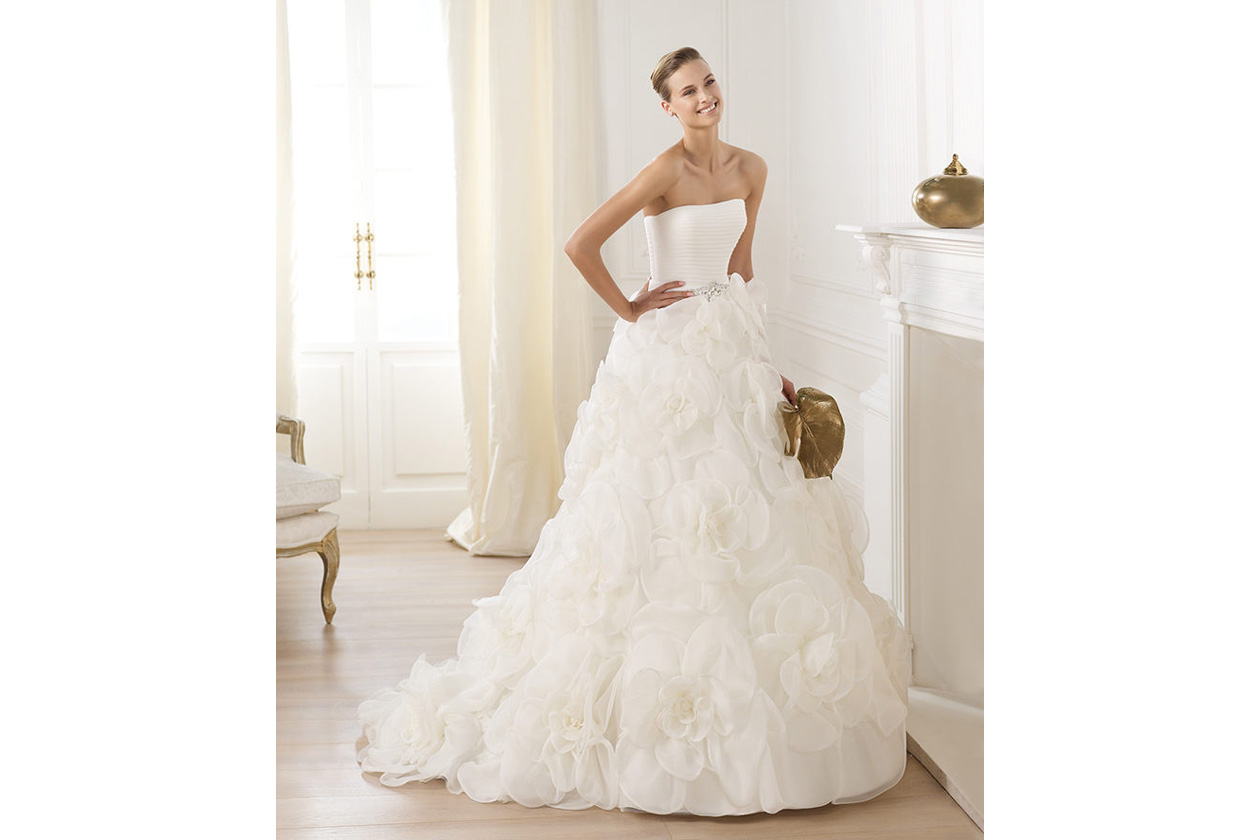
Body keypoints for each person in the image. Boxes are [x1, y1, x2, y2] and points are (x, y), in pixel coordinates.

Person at [356, 46, 911, 817]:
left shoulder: (752, 170)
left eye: (709, 82)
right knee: (654, 508)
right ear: (668, 106)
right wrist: (630, 308)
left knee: (750, 514)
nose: (705, 96)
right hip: (666, 360)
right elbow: (580, 243)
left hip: (729, 353)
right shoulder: (663, 172)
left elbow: (741, 271)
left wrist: (766, 367)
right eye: (688, 91)